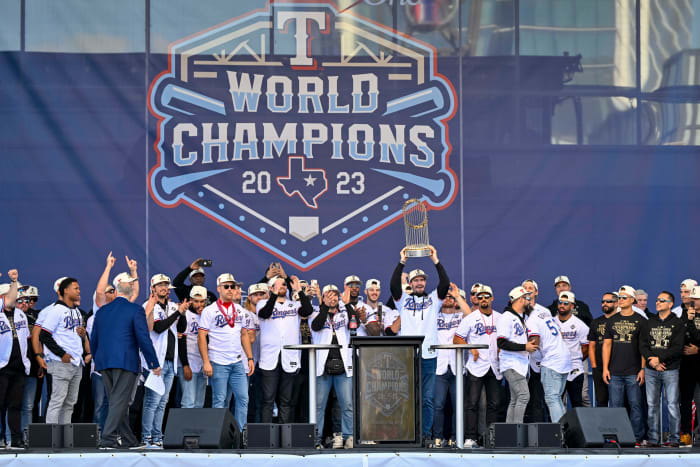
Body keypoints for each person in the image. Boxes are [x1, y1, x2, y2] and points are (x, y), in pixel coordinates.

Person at [91, 273, 161, 449]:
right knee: (118, 402)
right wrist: (154, 363)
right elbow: (143, 338)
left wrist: (97, 359)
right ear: (130, 289)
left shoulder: (102, 310)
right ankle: (107, 439)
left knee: (116, 400)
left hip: (104, 362)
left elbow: (94, 339)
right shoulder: (135, 310)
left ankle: (128, 441)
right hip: (125, 362)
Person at [388, 245, 450, 443]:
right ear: (411, 283)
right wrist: (402, 261)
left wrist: (436, 260)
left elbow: (445, 284)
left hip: (429, 355)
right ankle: (407, 434)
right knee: (405, 397)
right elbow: (393, 287)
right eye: (416, 280)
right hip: (408, 355)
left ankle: (425, 435)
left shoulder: (434, 299)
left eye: (422, 279)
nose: (419, 283)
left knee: (427, 399)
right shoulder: (402, 300)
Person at [199, 274, 254, 431]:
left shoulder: (239, 309)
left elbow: (244, 334)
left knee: (243, 398)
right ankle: (218, 434)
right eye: (227, 286)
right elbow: (201, 336)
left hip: (237, 361)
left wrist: (250, 358)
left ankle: (240, 434)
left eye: (233, 286)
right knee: (220, 400)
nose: (231, 289)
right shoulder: (209, 310)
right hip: (218, 361)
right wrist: (206, 361)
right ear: (219, 289)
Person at [641, 291, 695, 447]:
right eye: (657, 300)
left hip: (670, 369)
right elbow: (643, 344)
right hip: (651, 369)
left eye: (662, 300)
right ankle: (653, 439)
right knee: (652, 405)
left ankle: (674, 439)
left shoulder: (678, 323)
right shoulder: (649, 322)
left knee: (672, 404)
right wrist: (652, 360)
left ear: (670, 304)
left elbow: (678, 347)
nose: (658, 302)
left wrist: (660, 359)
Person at [257, 275, 313, 423]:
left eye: (283, 285)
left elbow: (307, 311)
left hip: (290, 356)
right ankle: (267, 438)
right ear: (270, 288)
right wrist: (273, 294)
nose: (281, 287)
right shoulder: (262, 303)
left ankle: (285, 438)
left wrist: (299, 291)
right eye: (277, 285)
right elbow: (265, 313)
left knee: (286, 400)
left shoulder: (293, 305)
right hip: (270, 357)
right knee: (268, 399)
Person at [141, 273, 186, 448]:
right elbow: (158, 328)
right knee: (152, 401)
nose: (164, 287)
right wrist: (177, 314)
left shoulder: (172, 306)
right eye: (160, 285)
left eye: (166, 285)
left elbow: (182, 328)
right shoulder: (149, 305)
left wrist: (181, 313)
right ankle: (146, 438)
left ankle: (157, 436)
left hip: (169, 361)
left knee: (162, 402)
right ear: (153, 288)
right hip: (155, 361)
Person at [38, 278, 91, 424]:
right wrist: (62, 354)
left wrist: (81, 335)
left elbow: (71, 336)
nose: (79, 291)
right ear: (65, 290)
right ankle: (51, 440)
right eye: (76, 288)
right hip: (61, 362)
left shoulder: (77, 312)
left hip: (76, 362)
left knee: (70, 403)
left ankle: (63, 439)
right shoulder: (56, 310)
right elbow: (44, 335)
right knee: (57, 401)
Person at [454, 284, 501, 447]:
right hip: (476, 365)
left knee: (494, 404)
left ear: (492, 298)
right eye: (480, 297)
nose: (483, 299)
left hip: (495, 366)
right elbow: (457, 338)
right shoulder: (470, 318)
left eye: (486, 296)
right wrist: (471, 348)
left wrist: (501, 350)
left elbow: (505, 338)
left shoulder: (500, 317)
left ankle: (491, 437)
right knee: (472, 404)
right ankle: (470, 437)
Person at [309, 284, 354, 449]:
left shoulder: (344, 314)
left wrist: (348, 304)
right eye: (328, 295)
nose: (332, 298)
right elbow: (316, 326)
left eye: (335, 295)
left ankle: (349, 437)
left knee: (347, 405)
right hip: (323, 368)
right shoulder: (316, 312)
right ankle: (316, 439)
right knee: (319, 406)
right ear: (323, 297)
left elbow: (354, 324)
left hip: (343, 367)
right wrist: (324, 307)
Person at [603, 285, 647, 443]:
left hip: (634, 371)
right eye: (619, 298)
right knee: (615, 407)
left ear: (632, 300)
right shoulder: (612, 320)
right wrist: (605, 368)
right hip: (614, 372)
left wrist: (642, 369)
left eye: (623, 297)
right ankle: (616, 437)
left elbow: (644, 348)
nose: (620, 300)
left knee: (636, 406)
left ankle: (636, 437)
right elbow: (607, 345)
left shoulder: (641, 321)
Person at [432, 283, 469, 447]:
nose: (448, 299)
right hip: (439, 367)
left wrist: (457, 295)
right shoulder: (434, 316)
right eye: (445, 296)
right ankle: (438, 438)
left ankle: (456, 437)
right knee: (438, 405)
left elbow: (471, 314)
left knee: (457, 405)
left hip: (457, 367)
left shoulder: (461, 317)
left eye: (451, 297)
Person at [525, 292, 572, 423]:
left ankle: (560, 432)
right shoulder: (545, 314)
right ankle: (565, 430)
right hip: (563, 357)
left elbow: (535, 342)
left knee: (552, 398)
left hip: (552, 360)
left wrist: (524, 347)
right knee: (556, 398)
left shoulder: (531, 320)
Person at [497, 286, 538, 423]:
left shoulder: (521, 318)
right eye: (527, 298)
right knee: (523, 396)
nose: (529, 301)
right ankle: (517, 432)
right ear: (519, 299)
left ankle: (510, 434)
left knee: (515, 400)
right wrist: (524, 346)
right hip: (511, 364)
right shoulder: (506, 317)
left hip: (521, 364)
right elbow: (501, 343)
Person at [0, 270, 30, 449]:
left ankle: (17, 438)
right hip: (2, 366)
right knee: (0, 404)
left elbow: (25, 339)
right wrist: (14, 281)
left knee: (15, 404)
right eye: (13, 293)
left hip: (19, 366)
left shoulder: (20, 315)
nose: (17, 297)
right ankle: (1, 438)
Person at [555, 291, 589, 408]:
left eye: (566, 303)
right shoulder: (551, 322)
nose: (562, 305)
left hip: (574, 369)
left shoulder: (580, 325)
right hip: (557, 368)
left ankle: (578, 426)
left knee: (577, 402)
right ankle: (559, 426)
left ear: (572, 306)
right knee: (557, 402)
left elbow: (585, 348)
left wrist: (575, 359)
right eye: (560, 302)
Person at [176, 286, 207, 409]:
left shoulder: (207, 316)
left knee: (199, 403)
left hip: (202, 364)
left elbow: (208, 341)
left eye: (201, 301)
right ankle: (185, 428)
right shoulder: (185, 315)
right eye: (196, 301)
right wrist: (185, 365)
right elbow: (181, 341)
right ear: (190, 300)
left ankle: (197, 428)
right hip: (188, 362)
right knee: (189, 402)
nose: (198, 304)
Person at [244, 282, 268, 423]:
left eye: (261, 294)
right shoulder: (245, 314)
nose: (259, 297)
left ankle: (259, 434)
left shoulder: (270, 314)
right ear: (249, 298)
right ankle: (243, 433)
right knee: (245, 398)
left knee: (262, 399)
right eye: (255, 295)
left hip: (266, 362)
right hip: (248, 361)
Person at [588, 293, 618, 407]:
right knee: (601, 401)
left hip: (617, 367)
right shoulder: (596, 322)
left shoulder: (620, 320)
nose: (605, 304)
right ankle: (603, 425)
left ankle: (620, 425)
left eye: (608, 301)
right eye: (603, 301)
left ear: (616, 303)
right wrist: (594, 367)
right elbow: (591, 346)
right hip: (599, 368)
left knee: (619, 402)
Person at [680, 285, 700, 445]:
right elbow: (679, 338)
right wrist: (688, 320)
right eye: (692, 299)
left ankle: (698, 435)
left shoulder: (691, 318)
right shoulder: (684, 316)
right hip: (686, 364)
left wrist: (698, 349)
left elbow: (697, 339)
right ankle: (685, 433)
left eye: (697, 299)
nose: (693, 302)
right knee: (685, 401)